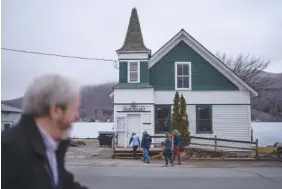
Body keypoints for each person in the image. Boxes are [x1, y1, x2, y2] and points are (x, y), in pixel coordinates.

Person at [1, 74, 89, 189]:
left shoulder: (51, 147)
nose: (77, 116)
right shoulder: (8, 151)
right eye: (75, 109)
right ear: (55, 110)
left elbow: (64, 184)